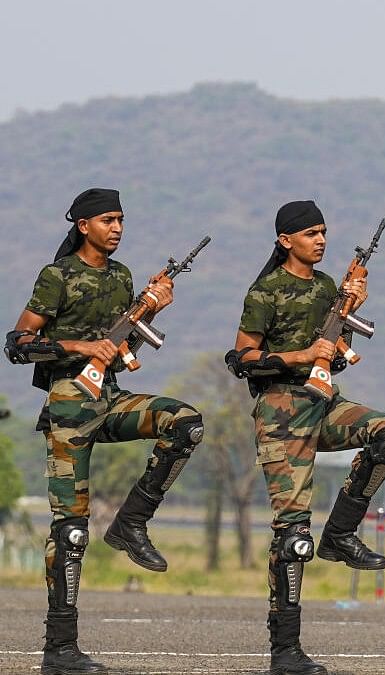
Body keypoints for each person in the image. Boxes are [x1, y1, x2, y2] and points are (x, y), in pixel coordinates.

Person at [6, 188, 204, 675]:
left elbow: (124, 341)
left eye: (121, 220)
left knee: (185, 422)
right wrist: (82, 346)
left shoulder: (122, 277)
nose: (117, 228)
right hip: (69, 407)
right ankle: (60, 648)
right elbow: (18, 342)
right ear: (83, 226)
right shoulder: (58, 276)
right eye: (108, 220)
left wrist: (151, 309)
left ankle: (131, 522)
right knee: (71, 533)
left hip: (111, 401)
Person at [227, 200, 385, 675]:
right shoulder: (265, 291)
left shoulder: (328, 286)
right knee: (291, 536)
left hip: (326, 405)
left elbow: (337, 357)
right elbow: (243, 358)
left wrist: (349, 312)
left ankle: (342, 534)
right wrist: (300, 354)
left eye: (324, 232)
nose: (320, 240)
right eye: (310, 233)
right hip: (281, 413)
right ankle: (285, 650)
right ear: (286, 240)